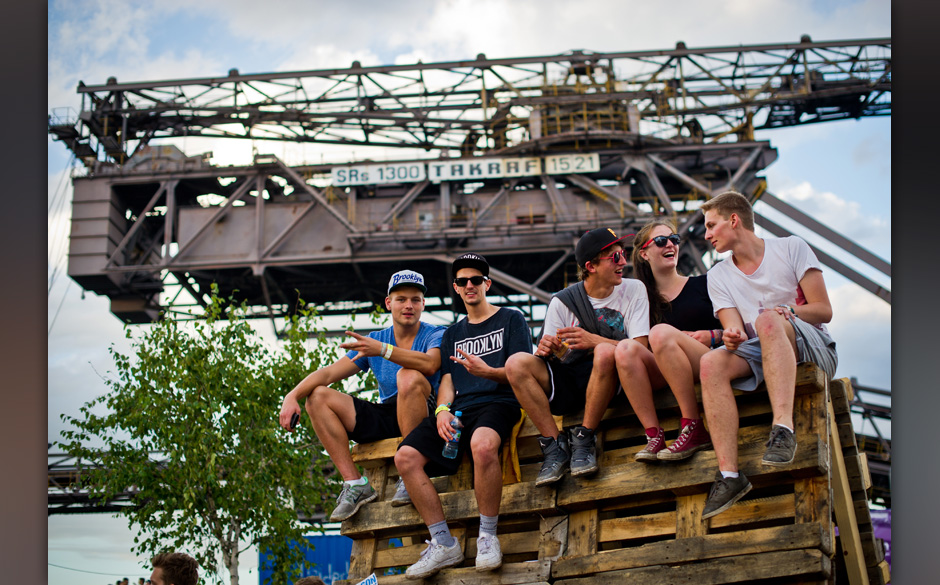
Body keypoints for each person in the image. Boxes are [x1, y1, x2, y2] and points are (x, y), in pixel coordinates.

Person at [697, 191, 837, 520]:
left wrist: (787, 312)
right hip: (762, 345)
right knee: (710, 362)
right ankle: (730, 475)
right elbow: (736, 331)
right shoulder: (717, 275)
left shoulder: (791, 248)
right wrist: (730, 337)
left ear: (734, 220)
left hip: (812, 343)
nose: (705, 235)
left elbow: (824, 311)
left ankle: (783, 429)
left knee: (767, 319)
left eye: (711, 225)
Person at [395, 253, 532, 579]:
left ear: (487, 283)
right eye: (462, 281)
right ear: (456, 288)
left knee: (483, 446)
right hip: (460, 410)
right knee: (405, 458)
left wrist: (488, 371)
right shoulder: (452, 334)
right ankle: (443, 543)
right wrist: (442, 410)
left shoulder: (512, 319)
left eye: (475, 280)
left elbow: (522, 372)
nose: (469, 285)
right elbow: (446, 381)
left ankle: (487, 536)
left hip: (501, 403)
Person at [279, 270, 446, 522]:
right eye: (401, 299)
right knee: (317, 397)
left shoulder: (435, 333)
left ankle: (411, 472)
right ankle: (355, 484)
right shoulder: (377, 339)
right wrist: (291, 396)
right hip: (389, 412)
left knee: (407, 376)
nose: (408, 305)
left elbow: (431, 364)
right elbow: (328, 373)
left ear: (423, 303)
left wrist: (382, 350)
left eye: (415, 299)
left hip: (425, 415)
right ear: (389, 303)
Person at [506, 227, 649, 484]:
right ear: (591, 266)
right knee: (516, 363)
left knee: (605, 351)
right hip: (571, 382)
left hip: (613, 380)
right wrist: (550, 350)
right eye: (615, 257)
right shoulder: (562, 301)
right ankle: (554, 446)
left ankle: (584, 438)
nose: (624, 262)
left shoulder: (635, 289)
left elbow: (641, 348)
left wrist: (594, 341)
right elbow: (551, 357)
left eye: (623, 254)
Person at [612, 219, 723, 463]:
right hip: (666, 369)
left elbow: (741, 329)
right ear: (644, 254)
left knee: (661, 332)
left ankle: (692, 426)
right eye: (661, 241)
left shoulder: (704, 284)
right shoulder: (640, 302)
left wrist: (713, 335)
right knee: (625, 349)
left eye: (674, 239)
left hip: (707, 360)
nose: (670, 244)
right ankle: (653, 435)